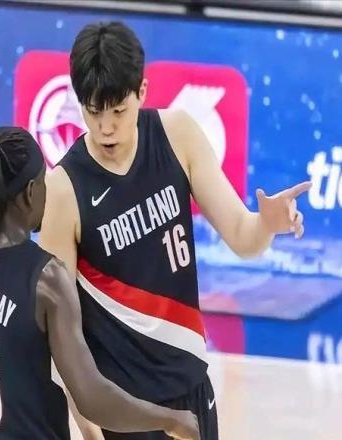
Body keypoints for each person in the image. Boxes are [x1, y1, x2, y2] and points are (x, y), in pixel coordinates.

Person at [39, 22, 311, 440]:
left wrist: (266, 225)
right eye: (94, 112)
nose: (106, 127)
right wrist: (90, 430)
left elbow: (243, 236)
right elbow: (60, 333)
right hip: (123, 408)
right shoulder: (63, 189)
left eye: (118, 111)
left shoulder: (177, 134)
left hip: (190, 387)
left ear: (142, 92)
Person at [0, 126, 200, 439]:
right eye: (44, 181)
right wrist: (170, 419)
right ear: (30, 191)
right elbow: (92, 398)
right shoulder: (46, 278)